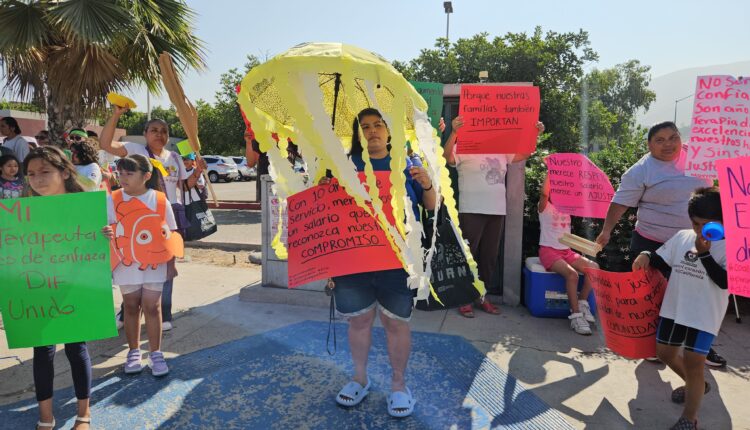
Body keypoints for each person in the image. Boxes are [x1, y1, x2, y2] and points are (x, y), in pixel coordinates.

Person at [323, 108, 435, 418]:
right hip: (353, 260)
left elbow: (431, 206)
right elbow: (327, 210)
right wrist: (322, 183)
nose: (372, 131)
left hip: (397, 262)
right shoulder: (342, 165)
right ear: (358, 134)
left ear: (388, 131)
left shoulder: (407, 163)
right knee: (358, 321)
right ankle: (359, 378)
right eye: (365, 127)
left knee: (395, 323)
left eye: (377, 125)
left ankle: (399, 385)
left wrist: (426, 184)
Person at [594, 121, 726, 367]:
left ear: (680, 138)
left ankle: (702, 349)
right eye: (660, 140)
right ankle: (651, 346)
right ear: (649, 145)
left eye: (672, 137)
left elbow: (724, 178)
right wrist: (606, 231)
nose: (668, 144)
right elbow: (620, 202)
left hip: (697, 242)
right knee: (652, 298)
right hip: (652, 242)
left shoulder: (700, 155)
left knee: (700, 297)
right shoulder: (641, 170)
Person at [23, 146, 109, 430]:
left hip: (77, 288)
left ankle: (84, 415)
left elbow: (97, 249)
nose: (37, 179)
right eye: (31, 174)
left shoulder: (85, 205)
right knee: (42, 351)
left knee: (76, 347)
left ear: (63, 171)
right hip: (39, 290)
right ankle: (45, 417)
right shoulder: (23, 213)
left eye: (45, 171)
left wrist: (105, 235)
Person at [631, 187, 726, 430]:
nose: (699, 230)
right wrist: (645, 254)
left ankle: (689, 418)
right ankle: (698, 386)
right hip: (674, 309)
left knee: (695, 363)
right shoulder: (682, 236)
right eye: (695, 223)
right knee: (664, 353)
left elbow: (725, 281)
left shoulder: (732, 247)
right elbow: (661, 259)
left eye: (706, 224)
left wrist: (704, 254)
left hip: (703, 316)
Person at [100, 106, 197, 331]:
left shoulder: (174, 157)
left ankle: (164, 314)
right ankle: (127, 312)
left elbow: (184, 186)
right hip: (135, 217)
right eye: (154, 130)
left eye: (163, 130)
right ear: (145, 134)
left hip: (167, 216)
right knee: (132, 264)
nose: (159, 134)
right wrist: (115, 115)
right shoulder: (135, 150)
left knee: (165, 265)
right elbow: (106, 144)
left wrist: (198, 173)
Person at [443, 115, 544, 318]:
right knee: (468, 256)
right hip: (471, 209)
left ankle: (481, 296)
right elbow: (447, 158)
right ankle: (464, 298)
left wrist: (535, 134)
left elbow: (523, 154)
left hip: (497, 210)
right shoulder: (464, 145)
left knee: (489, 257)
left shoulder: (501, 148)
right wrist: (454, 132)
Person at [109, 154, 176, 377]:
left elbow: (171, 234)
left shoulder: (159, 199)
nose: (123, 177)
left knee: (152, 306)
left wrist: (171, 264)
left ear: (146, 176)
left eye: (129, 173)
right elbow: (107, 228)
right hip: (125, 263)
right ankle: (134, 351)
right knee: (130, 305)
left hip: (155, 261)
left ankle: (155, 353)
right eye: (120, 173)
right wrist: (106, 232)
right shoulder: (113, 198)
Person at [537, 175, 599, 335]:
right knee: (572, 275)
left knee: (594, 268)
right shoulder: (544, 207)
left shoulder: (568, 210)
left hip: (566, 251)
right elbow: (544, 193)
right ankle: (576, 316)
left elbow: (581, 193)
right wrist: (551, 170)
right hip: (548, 250)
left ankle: (583, 301)